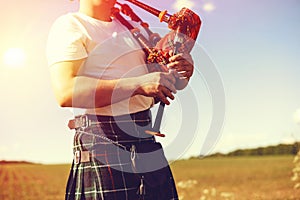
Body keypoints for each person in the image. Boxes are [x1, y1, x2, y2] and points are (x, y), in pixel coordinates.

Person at [46, 0, 194, 199]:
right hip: (101, 141)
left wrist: (182, 73)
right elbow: (66, 91)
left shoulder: (131, 28)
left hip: (144, 139)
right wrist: (137, 84)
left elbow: (164, 82)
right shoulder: (71, 25)